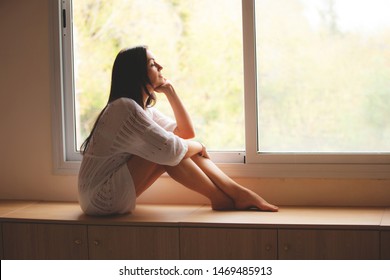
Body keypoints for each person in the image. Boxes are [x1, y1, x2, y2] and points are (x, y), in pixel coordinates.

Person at [78, 45, 278, 216]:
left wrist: (171, 91)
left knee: (168, 146)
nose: (160, 67)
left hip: (109, 195)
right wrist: (199, 146)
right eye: (152, 64)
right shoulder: (123, 108)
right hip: (100, 198)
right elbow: (173, 149)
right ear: (137, 73)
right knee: (166, 149)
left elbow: (185, 132)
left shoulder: (143, 110)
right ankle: (232, 195)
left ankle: (230, 195)